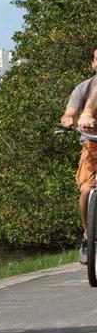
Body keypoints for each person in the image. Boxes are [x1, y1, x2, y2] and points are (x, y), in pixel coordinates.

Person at [60, 48, 97, 264]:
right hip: (92, 144)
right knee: (86, 190)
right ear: (93, 64)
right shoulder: (83, 88)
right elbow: (69, 113)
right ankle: (87, 235)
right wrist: (68, 121)